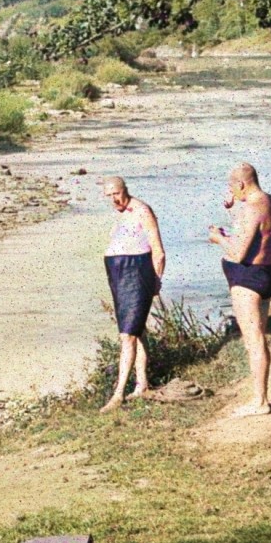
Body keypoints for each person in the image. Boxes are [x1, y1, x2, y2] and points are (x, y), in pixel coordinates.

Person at [208, 162, 271, 416]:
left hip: (247, 279)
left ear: (241, 184)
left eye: (233, 187)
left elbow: (239, 252)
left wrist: (219, 238)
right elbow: (252, 232)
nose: (232, 192)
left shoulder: (252, 209)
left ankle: (260, 402)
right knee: (258, 338)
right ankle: (260, 396)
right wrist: (233, 210)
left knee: (254, 341)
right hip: (265, 273)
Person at [98, 176, 166, 412]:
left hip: (136, 274)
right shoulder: (121, 213)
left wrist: (156, 281)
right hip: (119, 275)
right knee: (137, 331)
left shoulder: (142, 210)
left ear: (125, 190)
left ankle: (119, 394)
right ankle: (142, 384)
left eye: (116, 193)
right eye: (109, 196)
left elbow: (158, 251)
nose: (113, 199)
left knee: (127, 334)